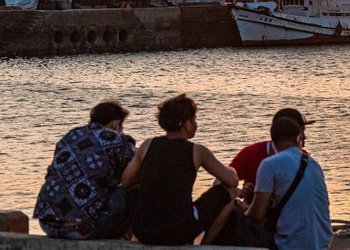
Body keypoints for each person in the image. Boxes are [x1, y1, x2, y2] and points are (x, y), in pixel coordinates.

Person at [122, 94, 239, 245]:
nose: (196, 123)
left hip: (144, 231)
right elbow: (233, 181)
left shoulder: (147, 145)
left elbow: (126, 180)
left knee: (133, 190)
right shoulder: (197, 151)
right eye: (194, 119)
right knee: (229, 191)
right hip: (179, 232)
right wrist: (231, 170)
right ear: (187, 125)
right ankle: (205, 244)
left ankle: (126, 235)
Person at [33, 100, 137, 240]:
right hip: (82, 229)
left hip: (47, 224)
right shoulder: (118, 139)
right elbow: (136, 170)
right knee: (130, 191)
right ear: (116, 124)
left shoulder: (71, 135)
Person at [246, 117, 332, 250]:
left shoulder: (269, 164)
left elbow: (257, 215)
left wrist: (242, 212)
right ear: (298, 138)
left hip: (289, 245)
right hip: (322, 243)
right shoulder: (314, 165)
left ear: (273, 141)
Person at [229, 107, 313, 200]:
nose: (304, 137)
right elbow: (220, 183)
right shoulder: (251, 153)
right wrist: (240, 191)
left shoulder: (304, 158)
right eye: (301, 132)